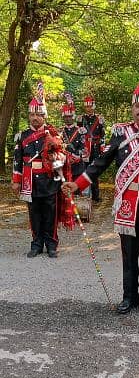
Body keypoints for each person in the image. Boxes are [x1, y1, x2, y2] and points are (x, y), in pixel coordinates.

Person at [62, 82, 139, 316]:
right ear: (132, 109)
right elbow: (100, 163)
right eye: (137, 106)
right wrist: (78, 183)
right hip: (127, 202)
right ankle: (129, 296)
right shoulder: (120, 134)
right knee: (129, 252)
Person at [11, 98, 62, 258]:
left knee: (50, 214)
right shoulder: (22, 136)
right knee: (34, 214)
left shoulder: (53, 134)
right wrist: (16, 180)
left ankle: (51, 245)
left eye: (38, 114)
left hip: (49, 179)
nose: (35, 117)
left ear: (44, 116)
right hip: (29, 181)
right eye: (32, 114)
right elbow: (17, 159)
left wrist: (57, 162)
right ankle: (37, 244)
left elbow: (62, 157)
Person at [77, 95, 105, 201]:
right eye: (87, 107)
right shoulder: (80, 119)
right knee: (83, 170)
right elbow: (78, 134)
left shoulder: (99, 119)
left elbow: (103, 134)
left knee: (95, 171)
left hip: (95, 148)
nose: (89, 108)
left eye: (90, 106)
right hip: (85, 148)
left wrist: (102, 146)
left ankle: (95, 196)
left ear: (94, 106)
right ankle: (84, 195)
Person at [58, 103, 84, 180]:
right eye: (65, 117)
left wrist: (75, 156)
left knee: (77, 189)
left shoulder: (80, 131)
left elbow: (83, 147)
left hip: (77, 164)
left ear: (73, 117)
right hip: (63, 164)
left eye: (69, 116)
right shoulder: (60, 131)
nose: (68, 119)